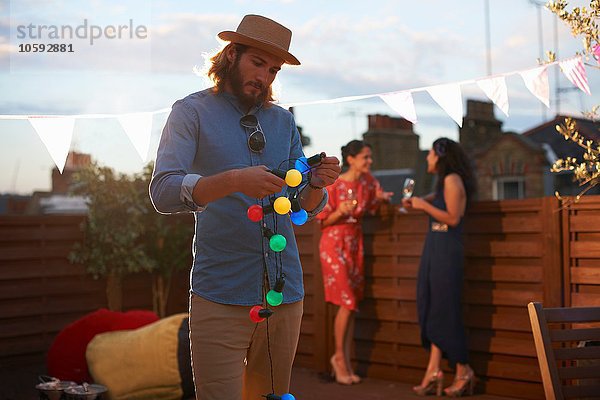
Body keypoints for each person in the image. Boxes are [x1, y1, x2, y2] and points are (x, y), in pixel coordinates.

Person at [149, 14, 341, 400]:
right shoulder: (190, 112)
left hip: (285, 294)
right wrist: (234, 180)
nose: (265, 77)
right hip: (220, 292)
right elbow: (163, 191)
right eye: (258, 63)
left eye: (273, 69)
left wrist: (318, 185)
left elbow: (301, 205)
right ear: (231, 55)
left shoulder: (283, 121)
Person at [402, 137, 476, 397]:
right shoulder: (442, 183)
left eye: (431, 154)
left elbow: (453, 218)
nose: (427, 158)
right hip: (435, 247)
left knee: (445, 306)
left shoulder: (452, 179)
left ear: (441, 156)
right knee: (431, 303)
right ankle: (433, 370)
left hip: (447, 250)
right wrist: (417, 201)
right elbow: (435, 202)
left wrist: (422, 205)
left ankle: (463, 369)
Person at [316, 140, 392, 385]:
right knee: (346, 300)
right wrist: (340, 212)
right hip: (333, 243)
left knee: (349, 302)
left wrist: (381, 199)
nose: (369, 162)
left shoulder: (369, 183)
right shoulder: (334, 185)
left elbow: (370, 204)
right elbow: (322, 222)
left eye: (369, 157)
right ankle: (338, 359)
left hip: (354, 243)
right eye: (365, 157)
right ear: (351, 159)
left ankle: (344, 360)